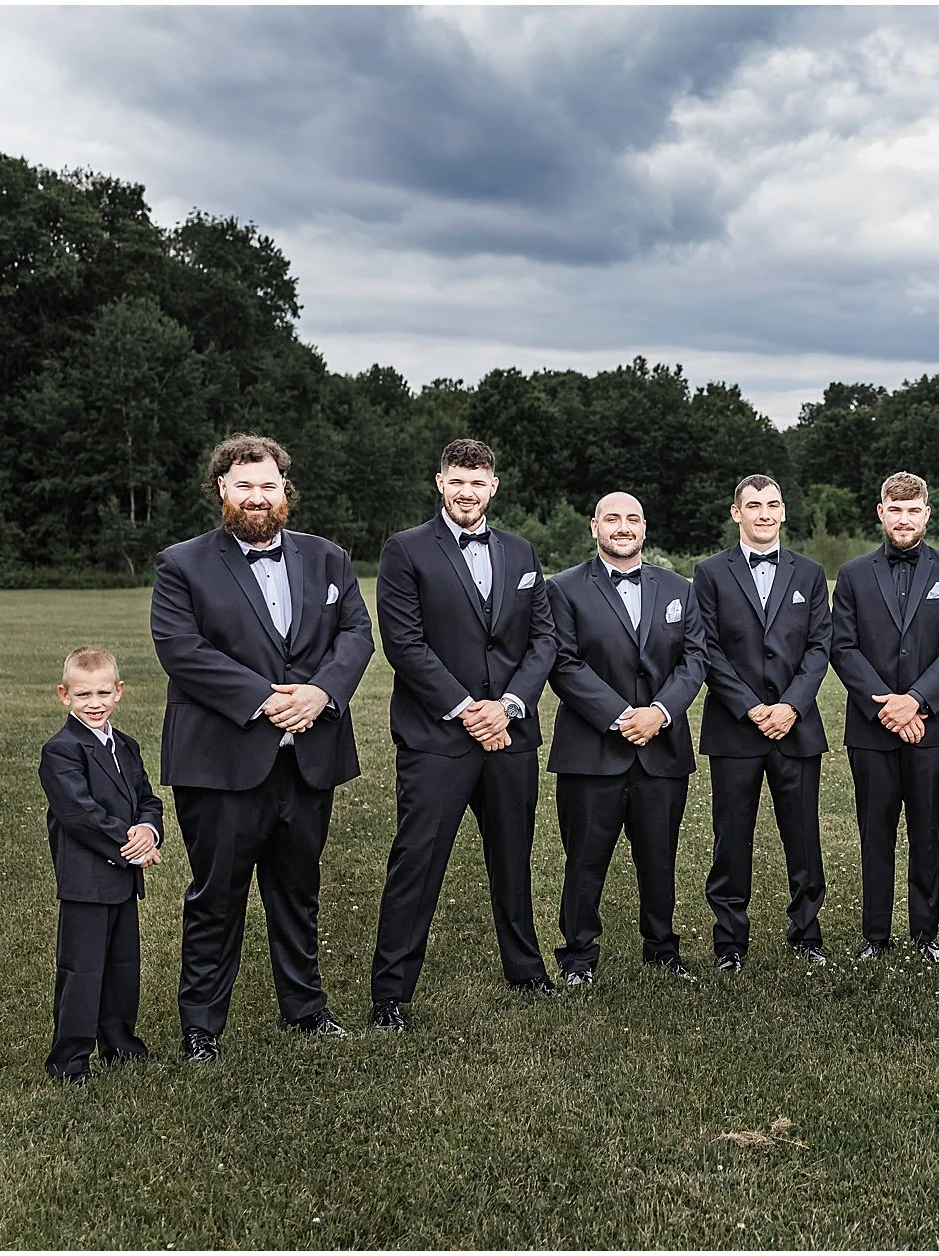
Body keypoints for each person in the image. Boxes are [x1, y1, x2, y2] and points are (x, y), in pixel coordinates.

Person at [151, 433, 374, 1061]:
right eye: (244, 485)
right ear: (222, 489)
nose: (257, 496)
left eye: (268, 485)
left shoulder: (328, 558)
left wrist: (321, 693)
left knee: (298, 890)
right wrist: (264, 699)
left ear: (285, 490)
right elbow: (180, 648)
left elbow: (357, 632)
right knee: (216, 896)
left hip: (308, 756)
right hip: (222, 759)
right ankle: (201, 1027)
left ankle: (304, 1008)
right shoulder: (181, 564)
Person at [368, 439, 558, 1031]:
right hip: (438, 738)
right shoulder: (405, 550)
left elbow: (543, 641)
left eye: (478, 482)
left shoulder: (522, 552)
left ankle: (525, 969)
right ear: (440, 482)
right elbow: (404, 643)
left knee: (513, 857)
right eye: (457, 481)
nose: (467, 492)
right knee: (417, 861)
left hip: (510, 736)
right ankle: (391, 994)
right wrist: (466, 708)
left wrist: (507, 706)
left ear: (493, 487)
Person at [546, 491, 706, 986]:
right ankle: (577, 957)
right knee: (585, 859)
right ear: (594, 526)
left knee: (660, 857)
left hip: (662, 749)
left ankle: (661, 947)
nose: (623, 526)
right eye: (612, 518)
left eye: (632, 518)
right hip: (591, 751)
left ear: (644, 526)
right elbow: (563, 663)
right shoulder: (564, 588)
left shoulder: (680, 588)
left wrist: (658, 713)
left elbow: (693, 660)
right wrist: (620, 716)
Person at [830, 472, 939, 964]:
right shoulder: (852, 574)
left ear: (926, 514)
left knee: (927, 829)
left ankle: (925, 934)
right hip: (871, 729)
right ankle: (875, 936)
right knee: (875, 830)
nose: (905, 519)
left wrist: (915, 701)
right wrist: (886, 706)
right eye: (896, 510)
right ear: (881, 512)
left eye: (914, 510)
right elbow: (843, 648)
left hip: (934, 726)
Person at [694, 474, 834, 970]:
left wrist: (792, 706)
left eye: (772, 504)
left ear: (783, 511)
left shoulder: (810, 573)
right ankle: (730, 942)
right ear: (737, 513)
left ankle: (807, 935)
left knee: (803, 836)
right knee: (732, 837)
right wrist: (751, 707)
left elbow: (820, 646)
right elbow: (706, 648)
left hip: (796, 727)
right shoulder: (709, 573)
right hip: (736, 728)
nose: (764, 514)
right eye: (753, 506)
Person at [38, 647, 164, 1083]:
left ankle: (120, 1044)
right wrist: (131, 844)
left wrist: (148, 829)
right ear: (64, 695)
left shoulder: (125, 745)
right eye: (84, 693)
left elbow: (148, 798)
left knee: (123, 967)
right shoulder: (60, 750)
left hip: (122, 880)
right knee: (83, 970)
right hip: (86, 880)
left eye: (104, 692)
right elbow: (80, 813)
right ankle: (70, 1059)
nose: (95, 702)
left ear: (120, 692)